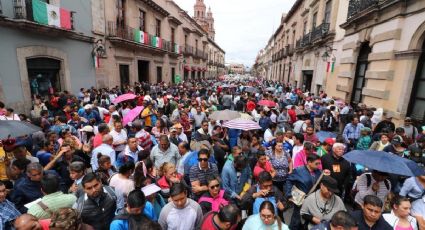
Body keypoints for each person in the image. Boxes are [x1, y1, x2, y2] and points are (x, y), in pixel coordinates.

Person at [285, 154, 323, 230]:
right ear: (309, 162)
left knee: (308, 218)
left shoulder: (319, 172)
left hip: (313, 201)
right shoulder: (299, 171)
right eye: (316, 164)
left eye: (319, 164)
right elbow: (289, 180)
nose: (318, 166)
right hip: (301, 200)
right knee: (297, 218)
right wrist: (289, 194)